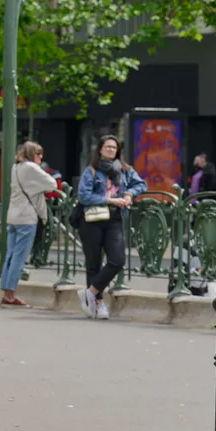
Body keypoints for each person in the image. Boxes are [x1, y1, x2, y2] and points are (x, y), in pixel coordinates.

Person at [76, 135, 146, 320]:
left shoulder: (124, 170)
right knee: (94, 263)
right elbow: (84, 196)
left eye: (114, 148)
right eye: (107, 147)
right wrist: (109, 200)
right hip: (91, 220)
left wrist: (130, 193)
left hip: (114, 219)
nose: (111, 150)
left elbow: (141, 184)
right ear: (100, 149)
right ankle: (98, 304)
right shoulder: (91, 171)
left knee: (118, 259)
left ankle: (90, 293)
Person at [1, 141, 60, 307]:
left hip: (12, 217)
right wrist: (38, 188)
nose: (41, 157)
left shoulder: (16, 167)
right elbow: (52, 184)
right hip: (26, 218)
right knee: (19, 258)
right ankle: (11, 295)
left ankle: (6, 291)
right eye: (38, 153)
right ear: (31, 154)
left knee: (10, 256)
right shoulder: (32, 168)